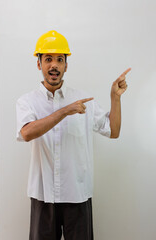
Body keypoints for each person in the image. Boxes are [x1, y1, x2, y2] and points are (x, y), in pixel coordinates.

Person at [16, 30, 131, 240]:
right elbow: (26, 133)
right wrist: (64, 111)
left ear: (66, 65)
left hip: (77, 196)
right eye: (48, 59)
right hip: (43, 197)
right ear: (39, 63)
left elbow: (113, 131)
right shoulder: (27, 102)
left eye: (60, 60)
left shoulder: (82, 100)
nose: (54, 65)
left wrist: (115, 98)